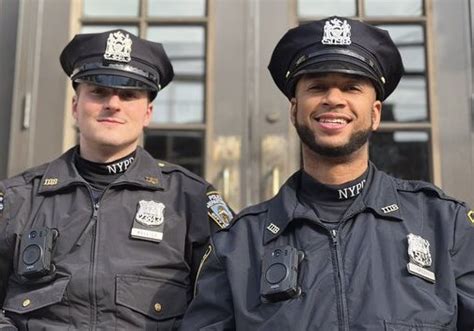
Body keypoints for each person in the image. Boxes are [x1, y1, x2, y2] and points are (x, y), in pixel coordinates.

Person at [181, 16, 474, 330]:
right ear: (294, 111)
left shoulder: (445, 226)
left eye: (351, 87)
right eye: (318, 86)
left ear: (375, 114)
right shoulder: (238, 245)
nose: (334, 99)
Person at [0, 29, 233, 330]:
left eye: (129, 94)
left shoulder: (191, 201)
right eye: (98, 91)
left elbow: (221, 310)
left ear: (147, 112)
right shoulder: (17, 200)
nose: (113, 103)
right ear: (75, 106)